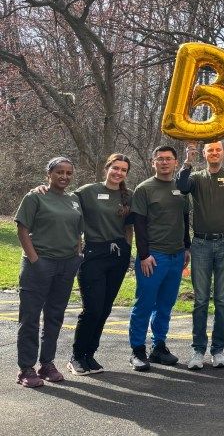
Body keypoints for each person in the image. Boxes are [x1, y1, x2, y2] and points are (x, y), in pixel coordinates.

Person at [177, 116, 224, 369]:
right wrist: (187, 159)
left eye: (218, 149)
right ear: (205, 154)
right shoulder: (196, 177)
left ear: (222, 152)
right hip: (201, 245)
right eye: (210, 150)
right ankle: (198, 350)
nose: (214, 153)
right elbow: (181, 186)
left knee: (223, 299)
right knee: (200, 300)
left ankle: (218, 350)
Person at [14, 157, 83, 387]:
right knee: (30, 318)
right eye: (59, 172)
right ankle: (26, 368)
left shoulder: (73, 200)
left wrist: (77, 255)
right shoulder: (36, 196)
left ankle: (47, 364)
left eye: (68, 173)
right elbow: (22, 229)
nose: (64, 176)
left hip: (66, 265)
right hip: (39, 265)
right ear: (49, 174)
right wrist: (35, 259)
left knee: (54, 316)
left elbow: (77, 230)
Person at [67, 154, 135, 375]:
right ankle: (76, 356)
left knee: (104, 309)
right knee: (92, 308)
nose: (119, 173)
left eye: (123, 170)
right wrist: (40, 190)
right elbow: (62, 200)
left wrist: (127, 248)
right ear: (107, 168)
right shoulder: (88, 191)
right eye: (115, 168)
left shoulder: (128, 196)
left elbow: (129, 227)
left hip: (118, 257)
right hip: (93, 254)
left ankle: (90, 355)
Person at [129, 145, 192, 371]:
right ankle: (137, 350)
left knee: (166, 304)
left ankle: (159, 347)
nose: (164, 162)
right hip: (153, 256)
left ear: (176, 162)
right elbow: (139, 224)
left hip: (177, 256)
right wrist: (144, 255)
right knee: (144, 303)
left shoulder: (182, 189)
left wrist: (187, 247)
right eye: (160, 159)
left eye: (168, 159)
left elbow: (184, 220)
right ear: (152, 162)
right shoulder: (144, 189)